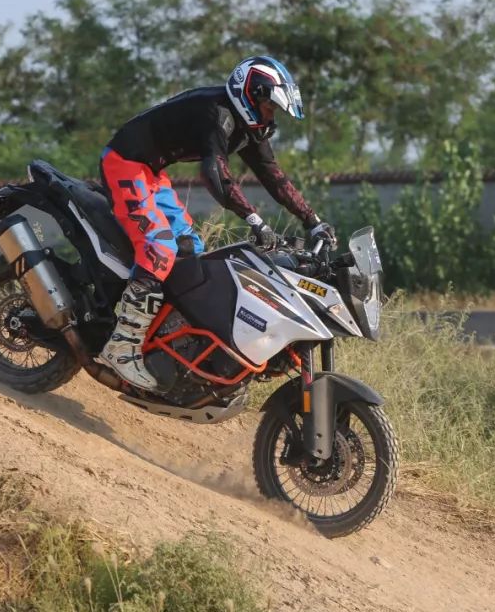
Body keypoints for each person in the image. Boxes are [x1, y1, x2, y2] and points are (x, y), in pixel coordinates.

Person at [98, 56, 337, 389]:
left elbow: (274, 176)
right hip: (125, 164)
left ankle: (161, 338)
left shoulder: (247, 125)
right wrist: (255, 221)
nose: (271, 116)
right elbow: (216, 176)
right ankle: (122, 346)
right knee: (159, 248)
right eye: (269, 107)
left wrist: (313, 221)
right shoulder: (217, 114)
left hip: (152, 174)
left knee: (190, 250)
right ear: (250, 95)